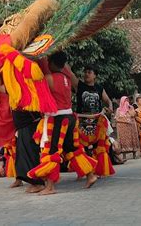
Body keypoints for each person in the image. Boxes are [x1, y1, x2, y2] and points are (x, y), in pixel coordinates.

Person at [31, 52, 97, 194]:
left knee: (51, 151)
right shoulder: (67, 78)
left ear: (53, 63)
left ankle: (50, 187)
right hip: (70, 117)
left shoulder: (49, 78)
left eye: (49, 61)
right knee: (73, 149)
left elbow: (35, 81)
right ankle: (90, 175)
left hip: (57, 120)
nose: (47, 63)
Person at [0, 76, 45, 192]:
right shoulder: (17, 88)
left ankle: (39, 183)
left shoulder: (23, 88)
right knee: (22, 153)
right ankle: (24, 179)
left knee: (31, 153)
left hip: (30, 125)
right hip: (23, 126)